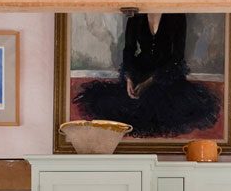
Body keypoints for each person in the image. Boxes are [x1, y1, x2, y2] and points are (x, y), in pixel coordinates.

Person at [73, 11, 220, 136]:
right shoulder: (136, 15)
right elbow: (129, 49)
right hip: (141, 68)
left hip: (167, 72)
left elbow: (177, 57)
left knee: (165, 107)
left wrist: (148, 82)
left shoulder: (177, 16)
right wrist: (129, 77)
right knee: (116, 105)